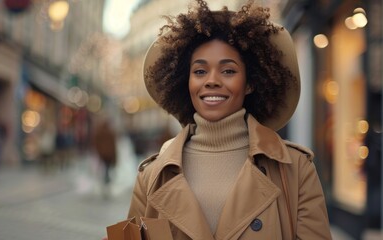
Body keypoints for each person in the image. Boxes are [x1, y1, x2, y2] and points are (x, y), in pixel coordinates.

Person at [126, 0, 332, 239]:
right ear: (187, 81)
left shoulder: (295, 170)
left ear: (250, 83)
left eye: (228, 71)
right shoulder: (152, 175)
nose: (211, 81)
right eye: (200, 71)